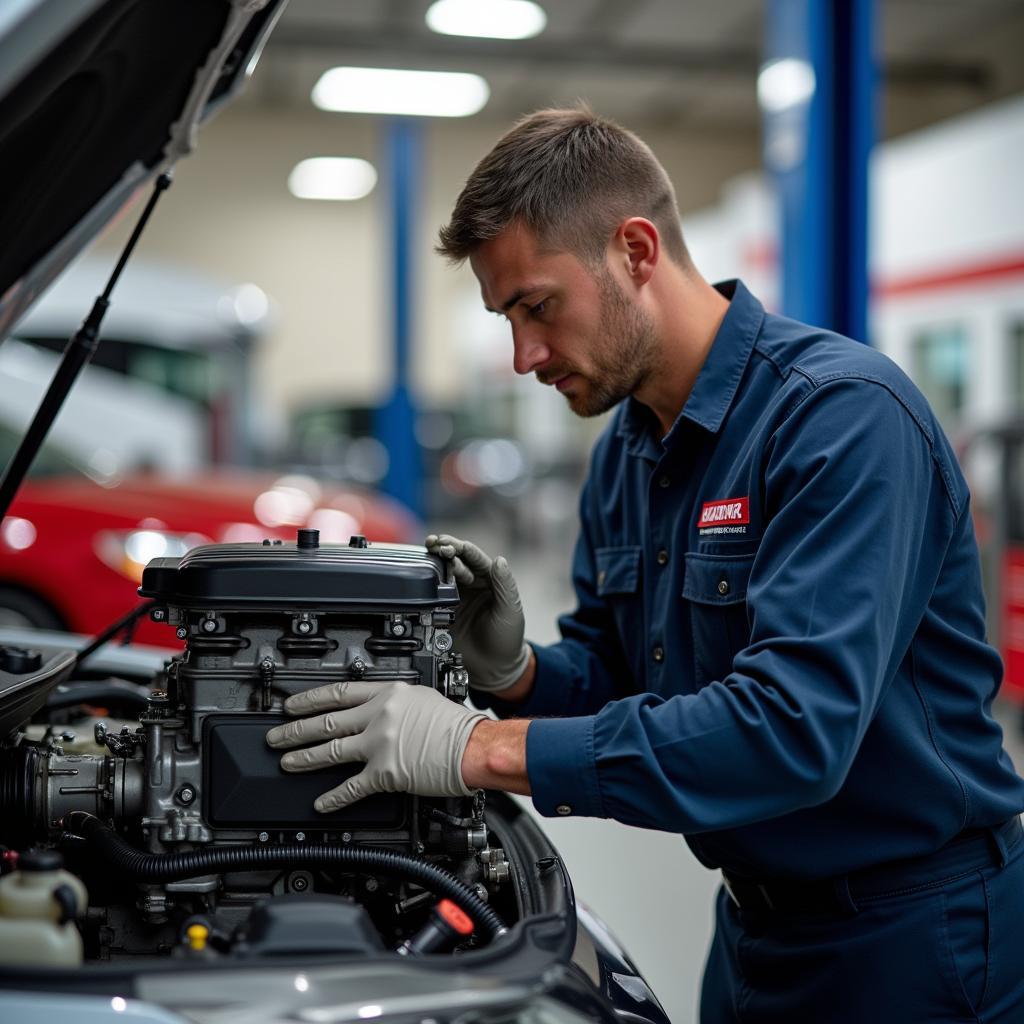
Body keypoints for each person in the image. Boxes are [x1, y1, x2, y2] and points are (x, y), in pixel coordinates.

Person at [266, 107, 1024, 1022]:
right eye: (506, 318)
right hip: (752, 930)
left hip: (913, 940)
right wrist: (521, 673)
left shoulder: (840, 421)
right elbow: (627, 680)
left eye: (537, 306)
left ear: (634, 249)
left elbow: (792, 729)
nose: (523, 356)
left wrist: (472, 747)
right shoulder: (628, 452)